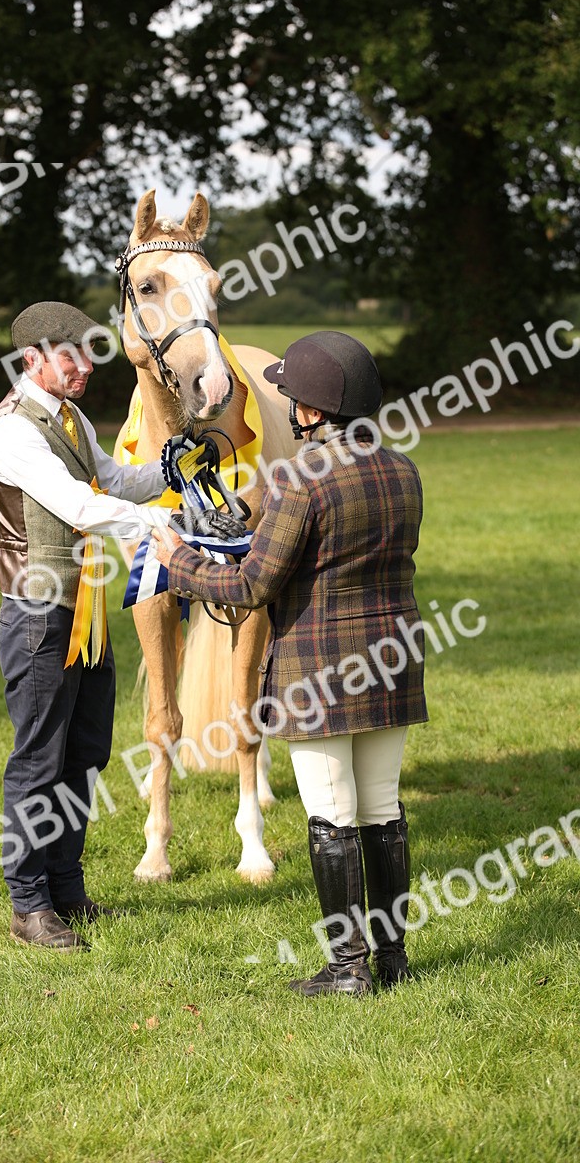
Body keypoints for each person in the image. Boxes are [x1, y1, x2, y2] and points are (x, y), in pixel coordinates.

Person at [153, 331, 427, 996]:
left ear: (312, 409)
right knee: (382, 812)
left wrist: (178, 560)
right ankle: (391, 959)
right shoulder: (401, 468)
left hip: (319, 668)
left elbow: (250, 587)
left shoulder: (296, 481)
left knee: (331, 816)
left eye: (294, 397)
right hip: (391, 657)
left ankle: (346, 968)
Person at [0, 301, 172, 953]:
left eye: (90, 353)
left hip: (86, 616)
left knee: (86, 754)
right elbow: (81, 505)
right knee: (39, 761)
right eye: (71, 356)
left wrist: (171, 468)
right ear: (31, 360)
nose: (87, 367)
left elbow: (114, 479)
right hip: (39, 619)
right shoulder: (11, 431)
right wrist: (160, 526)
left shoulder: (72, 417)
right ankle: (29, 906)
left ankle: (67, 891)